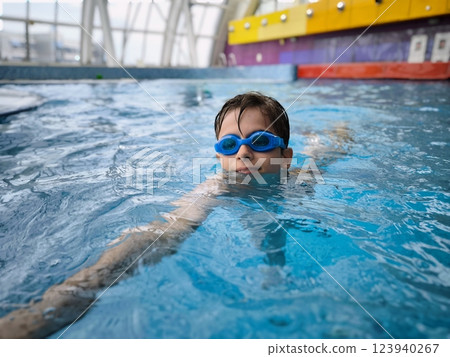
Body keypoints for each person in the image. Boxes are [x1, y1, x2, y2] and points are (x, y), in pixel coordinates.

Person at [0, 92, 350, 338]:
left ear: (284, 155)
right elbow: (160, 234)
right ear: (219, 158)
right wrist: (73, 294)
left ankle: (332, 137)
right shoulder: (216, 188)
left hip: (292, 181)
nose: (243, 153)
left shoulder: (300, 177)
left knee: (327, 155)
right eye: (229, 145)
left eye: (259, 141)